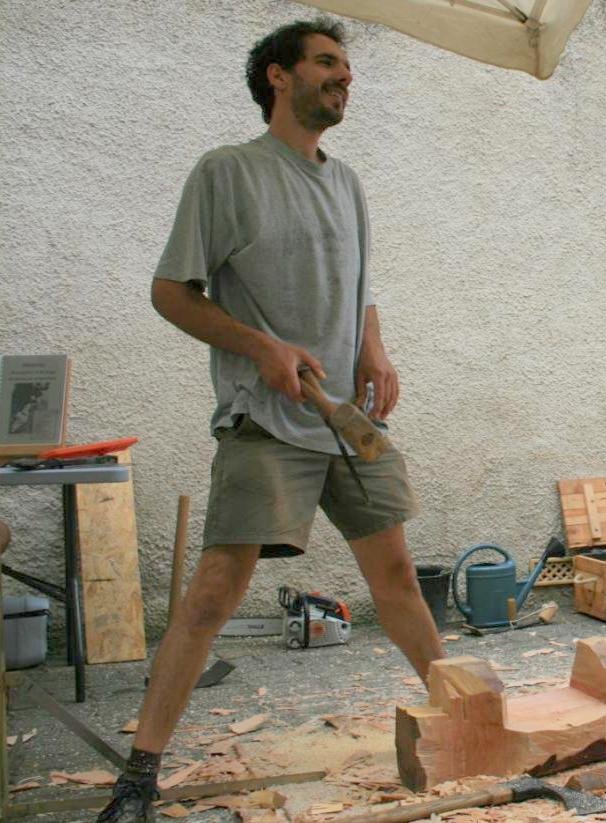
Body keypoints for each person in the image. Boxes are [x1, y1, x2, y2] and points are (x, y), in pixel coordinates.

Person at [96, 20, 444, 823]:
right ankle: (139, 777)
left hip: (346, 420)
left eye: (346, 66)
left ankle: (469, 718)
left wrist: (374, 348)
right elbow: (171, 291)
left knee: (397, 578)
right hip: (267, 418)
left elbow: (360, 286)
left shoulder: (346, 182)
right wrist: (262, 348)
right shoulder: (228, 172)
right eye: (326, 63)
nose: (344, 77)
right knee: (215, 593)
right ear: (278, 77)